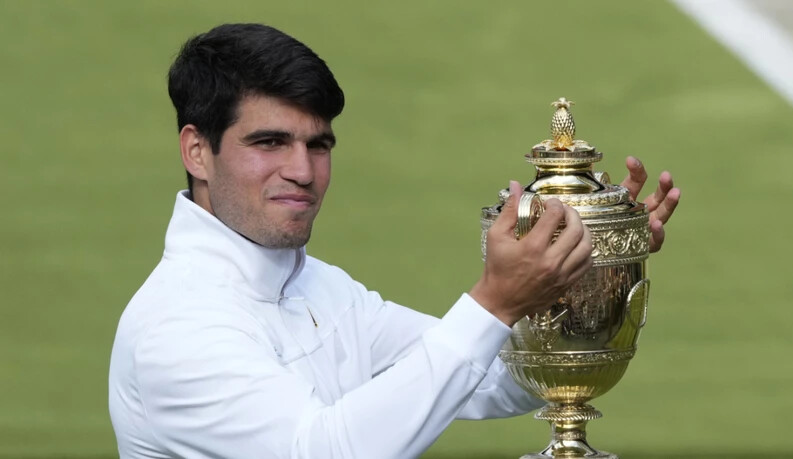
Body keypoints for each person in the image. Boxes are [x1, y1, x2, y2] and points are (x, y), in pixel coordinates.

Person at [108, 23, 680, 459]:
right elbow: (326, 452)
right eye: (270, 142)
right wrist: (496, 301)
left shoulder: (319, 289)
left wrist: (593, 267)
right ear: (197, 151)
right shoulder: (176, 328)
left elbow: (501, 382)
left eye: (319, 145)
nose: (303, 171)